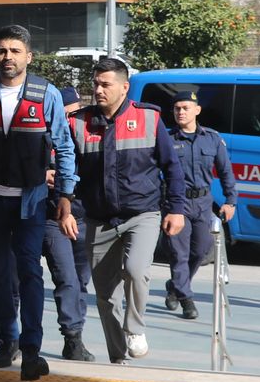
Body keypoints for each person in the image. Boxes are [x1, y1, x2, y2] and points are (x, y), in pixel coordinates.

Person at [0, 24, 77, 381]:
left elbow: (65, 147)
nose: (8, 57)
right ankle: (9, 341)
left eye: (15, 51)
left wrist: (65, 195)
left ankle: (32, 349)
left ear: (28, 57)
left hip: (30, 202)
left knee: (30, 272)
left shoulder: (46, 94)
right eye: (2, 50)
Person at [69, 58, 186, 364]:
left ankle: (135, 328)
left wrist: (176, 209)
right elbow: (67, 169)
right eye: (96, 84)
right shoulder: (79, 123)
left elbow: (172, 167)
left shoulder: (148, 118)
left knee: (135, 270)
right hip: (99, 220)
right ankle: (118, 357)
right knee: (106, 296)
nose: (98, 90)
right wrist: (65, 205)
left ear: (124, 87)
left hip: (141, 214)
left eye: (105, 84)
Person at [163, 90, 237, 320]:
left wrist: (231, 201)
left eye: (185, 108)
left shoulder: (212, 138)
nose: (181, 112)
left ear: (197, 110)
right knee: (179, 253)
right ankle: (186, 299)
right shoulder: (166, 139)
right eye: (177, 109)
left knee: (200, 251)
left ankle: (175, 285)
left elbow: (225, 171)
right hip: (177, 204)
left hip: (203, 203)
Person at [42, 86, 95, 362]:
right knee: (67, 278)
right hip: (53, 217)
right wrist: (44, 175)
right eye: (66, 114)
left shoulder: (89, 135)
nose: (71, 119)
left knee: (81, 281)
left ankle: (77, 336)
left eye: (75, 113)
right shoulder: (44, 137)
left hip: (84, 216)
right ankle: (71, 337)